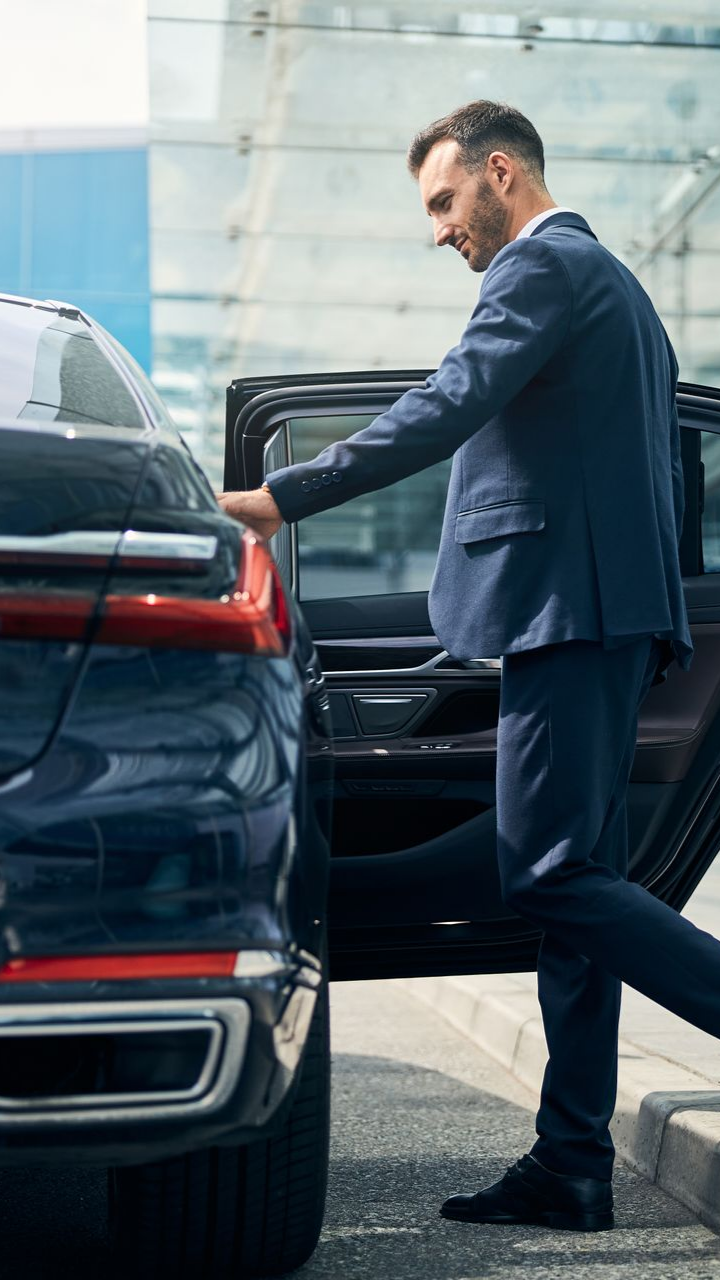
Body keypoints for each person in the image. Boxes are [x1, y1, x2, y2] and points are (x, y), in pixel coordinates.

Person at [217, 101, 719, 1233]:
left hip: (568, 615)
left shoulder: (544, 270)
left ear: (503, 172)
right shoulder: (620, 292)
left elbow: (447, 405)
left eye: (445, 201)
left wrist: (278, 493)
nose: (437, 230)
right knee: (574, 901)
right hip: (603, 612)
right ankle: (572, 1161)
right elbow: (651, 476)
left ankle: (578, 1146)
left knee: (546, 875)